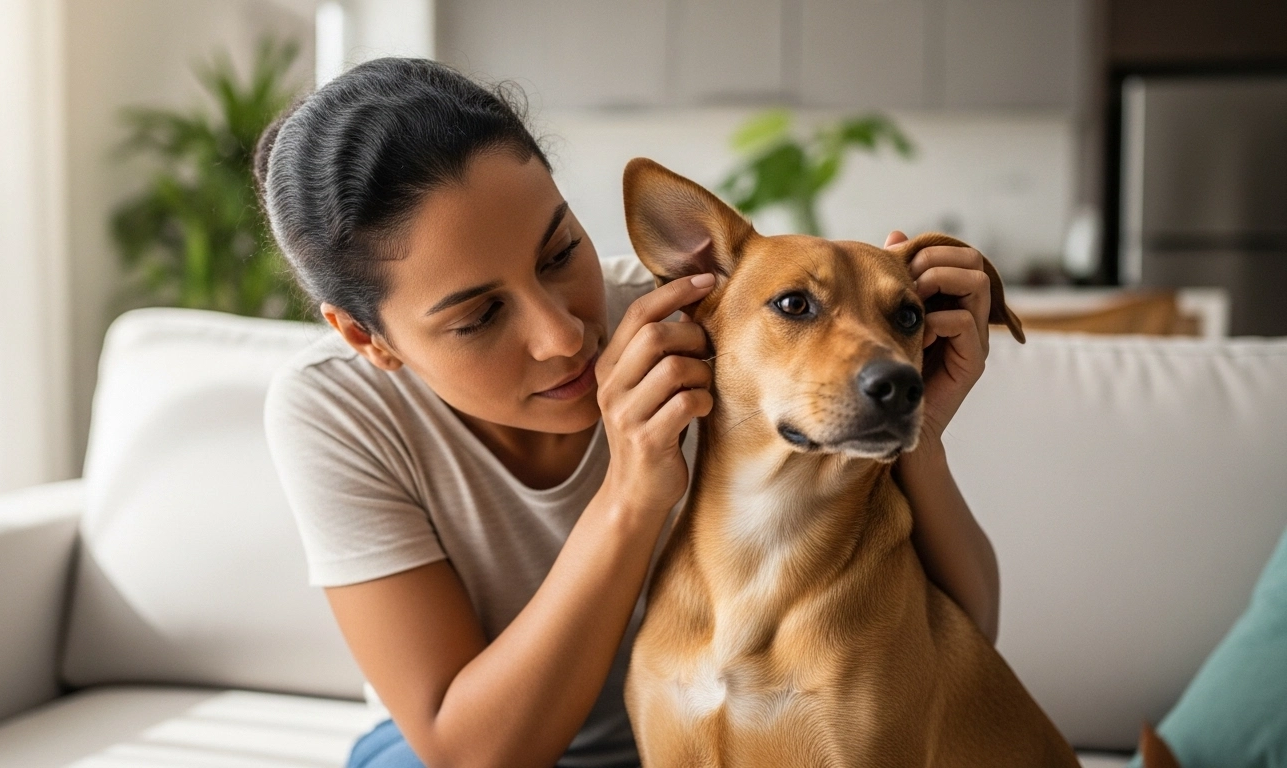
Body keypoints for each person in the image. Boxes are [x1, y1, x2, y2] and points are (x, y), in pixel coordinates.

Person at [256, 57, 1002, 768]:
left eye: (559, 253)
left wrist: (920, 431)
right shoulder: (336, 408)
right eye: (479, 317)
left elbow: (958, 646)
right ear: (366, 338)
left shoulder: (711, 318)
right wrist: (631, 492)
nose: (564, 335)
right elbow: (472, 753)